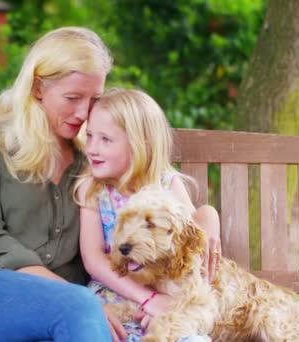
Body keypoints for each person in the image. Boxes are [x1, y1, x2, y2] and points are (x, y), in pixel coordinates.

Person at [0, 27, 125, 342]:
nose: (84, 112)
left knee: (80, 309)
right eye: (73, 98)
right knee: (80, 306)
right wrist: (76, 300)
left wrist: (205, 214)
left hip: (62, 315)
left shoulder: (95, 157)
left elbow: (152, 181)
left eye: (94, 100)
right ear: (37, 88)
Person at [76, 88, 222, 341]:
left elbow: (192, 229)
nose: (92, 149)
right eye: (89, 136)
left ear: (139, 144)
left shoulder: (166, 182)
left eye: (105, 140)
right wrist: (148, 298)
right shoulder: (93, 188)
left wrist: (210, 216)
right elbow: (93, 259)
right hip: (113, 298)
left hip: (168, 301)